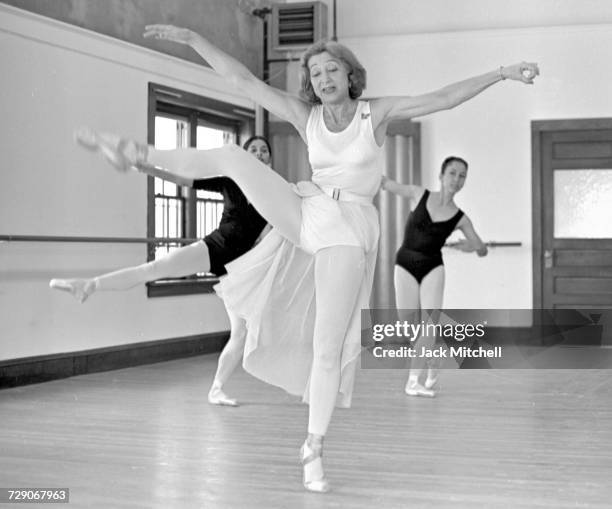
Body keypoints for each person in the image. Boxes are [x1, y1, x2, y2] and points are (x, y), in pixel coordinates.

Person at [74, 23, 539, 493]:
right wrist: (194, 40)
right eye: (315, 72)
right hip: (308, 208)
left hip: (348, 226)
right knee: (235, 157)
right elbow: (243, 82)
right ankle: (137, 152)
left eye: (331, 68)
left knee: (327, 346)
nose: (322, 78)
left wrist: (502, 73)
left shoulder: (373, 114)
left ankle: (314, 447)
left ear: (350, 75)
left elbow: (441, 97)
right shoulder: (305, 115)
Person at [50, 136, 274, 407]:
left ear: (270, 159)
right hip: (214, 249)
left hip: (240, 269)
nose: (259, 154)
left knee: (239, 334)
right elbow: (185, 180)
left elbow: (272, 233)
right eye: (254, 149)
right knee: (155, 268)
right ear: (244, 155)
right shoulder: (229, 183)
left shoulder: (274, 193)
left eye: (264, 151)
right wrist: (148, 168)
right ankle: (89, 285)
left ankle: (216, 389)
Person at [382, 156, 488, 397]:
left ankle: (412, 381)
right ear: (441, 176)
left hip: (432, 268)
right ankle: (432, 362)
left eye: (462, 176)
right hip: (405, 264)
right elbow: (386, 183)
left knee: (429, 325)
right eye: (452, 173)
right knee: (410, 328)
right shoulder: (418, 194)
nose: (457, 179)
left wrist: (469, 246)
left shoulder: (460, 218)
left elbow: (481, 248)